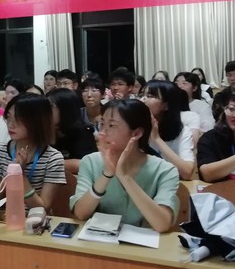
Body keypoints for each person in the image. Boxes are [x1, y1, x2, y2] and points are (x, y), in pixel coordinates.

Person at [70, 99, 180, 233]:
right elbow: (81, 213)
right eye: (102, 124)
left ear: (136, 133)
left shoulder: (165, 170)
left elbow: (162, 224)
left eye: (112, 125)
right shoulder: (90, 162)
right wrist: (107, 174)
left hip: (143, 243)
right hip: (99, 241)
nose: (102, 132)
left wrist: (124, 176)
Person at [0, 94, 66, 211]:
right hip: (4, 217)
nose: (10, 124)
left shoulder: (53, 158)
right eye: (8, 117)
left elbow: (42, 208)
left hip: (35, 219)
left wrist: (20, 175)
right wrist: (10, 176)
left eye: (19, 119)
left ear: (37, 121)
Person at [141, 80, 195, 180]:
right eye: (142, 95)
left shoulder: (183, 132)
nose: (143, 99)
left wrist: (157, 139)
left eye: (150, 96)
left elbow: (187, 172)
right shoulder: (135, 127)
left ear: (166, 105)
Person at [47, 89, 97, 174]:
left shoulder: (83, 132)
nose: (44, 111)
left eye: (49, 106)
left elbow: (83, 164)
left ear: (65, 109)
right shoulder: (46, 130)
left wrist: (48, 163)